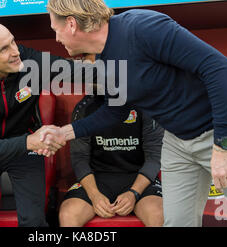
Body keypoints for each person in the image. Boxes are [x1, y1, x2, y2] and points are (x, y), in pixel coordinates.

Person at [43, 0, 227, 227]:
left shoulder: (141, 26)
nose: (57, 38)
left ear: (72, 24)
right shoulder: (103, 60)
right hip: (177, 141)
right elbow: (116, 110)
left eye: (56, 30)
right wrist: (64, 132)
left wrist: (223, 146)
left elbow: (217, 66)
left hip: (222, 131)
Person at [0, 20, 80, 227]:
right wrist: (32, 141)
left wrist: (127, 72)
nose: (15, 52)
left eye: (13, 42)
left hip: (23, 149)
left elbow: (77, 70)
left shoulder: (27, 60)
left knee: (33, 222)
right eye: (3, 49)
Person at [59, 89, 164, 227]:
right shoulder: (86, 107)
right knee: (68, 214)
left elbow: (154, 157)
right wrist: (94, 195)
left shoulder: (145, 105)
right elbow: (79, 158)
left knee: (158, 214)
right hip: (96, 179)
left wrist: (134, 193)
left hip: (138, 178)